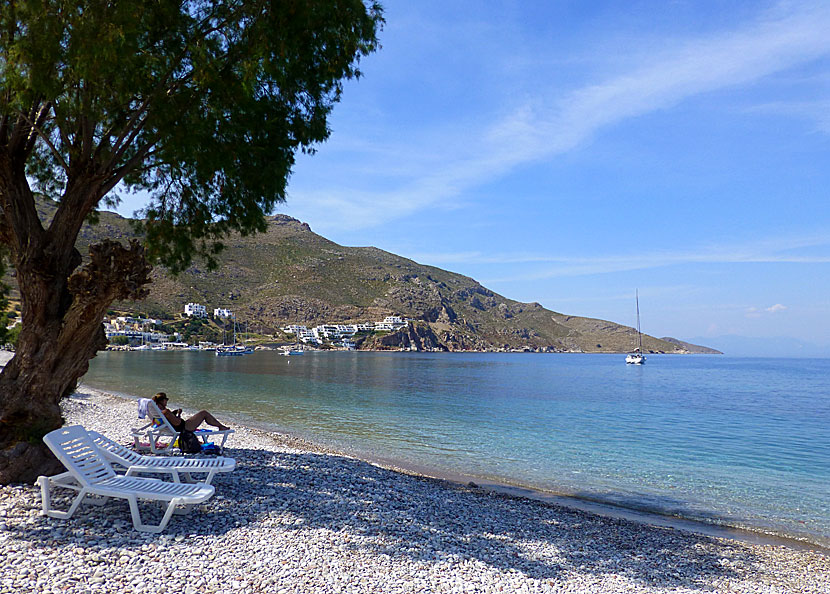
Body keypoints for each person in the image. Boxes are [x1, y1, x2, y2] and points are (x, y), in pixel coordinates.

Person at [152, 392, 231, 432]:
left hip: (176, 427)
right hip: (184, 428)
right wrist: (179, 414)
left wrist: (173, 414)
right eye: (166, 400)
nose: (167, 402)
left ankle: (221, 426)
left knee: (203, 413)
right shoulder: (166, 411)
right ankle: (221, 427)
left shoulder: (158, 411)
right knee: (204, 413)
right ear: (162, 401)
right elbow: (177, 423)